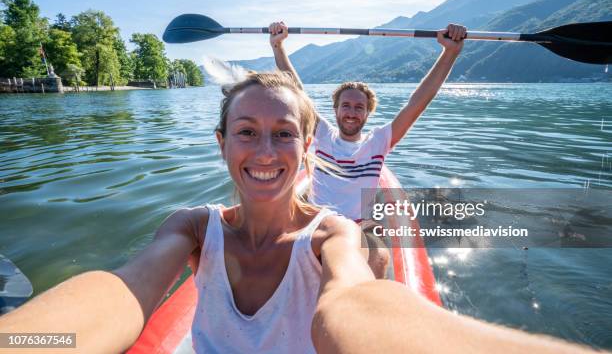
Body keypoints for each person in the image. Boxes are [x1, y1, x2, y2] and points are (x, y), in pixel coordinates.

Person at [0, 72, 596, 354]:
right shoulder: (188, 226)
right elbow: (123, 292)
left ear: (307, 149)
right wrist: (30, 342)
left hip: (349, 226)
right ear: (222, 144)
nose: (264, 151)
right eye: (246, 133)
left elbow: (355, 309)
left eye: (283, 134)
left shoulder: (330, 234)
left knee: (374, 251)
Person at [268, 21, 467, 278]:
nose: (351, 112)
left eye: (358, 107)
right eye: (346, 106)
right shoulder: (322, 134)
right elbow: (295, 90)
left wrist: (449, 53)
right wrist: (278, 46)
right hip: (319, 222)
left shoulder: (379, 142)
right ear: (336, 110)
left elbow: (418, 101)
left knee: (378, 257)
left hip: (362, 227)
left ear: (367, 113)